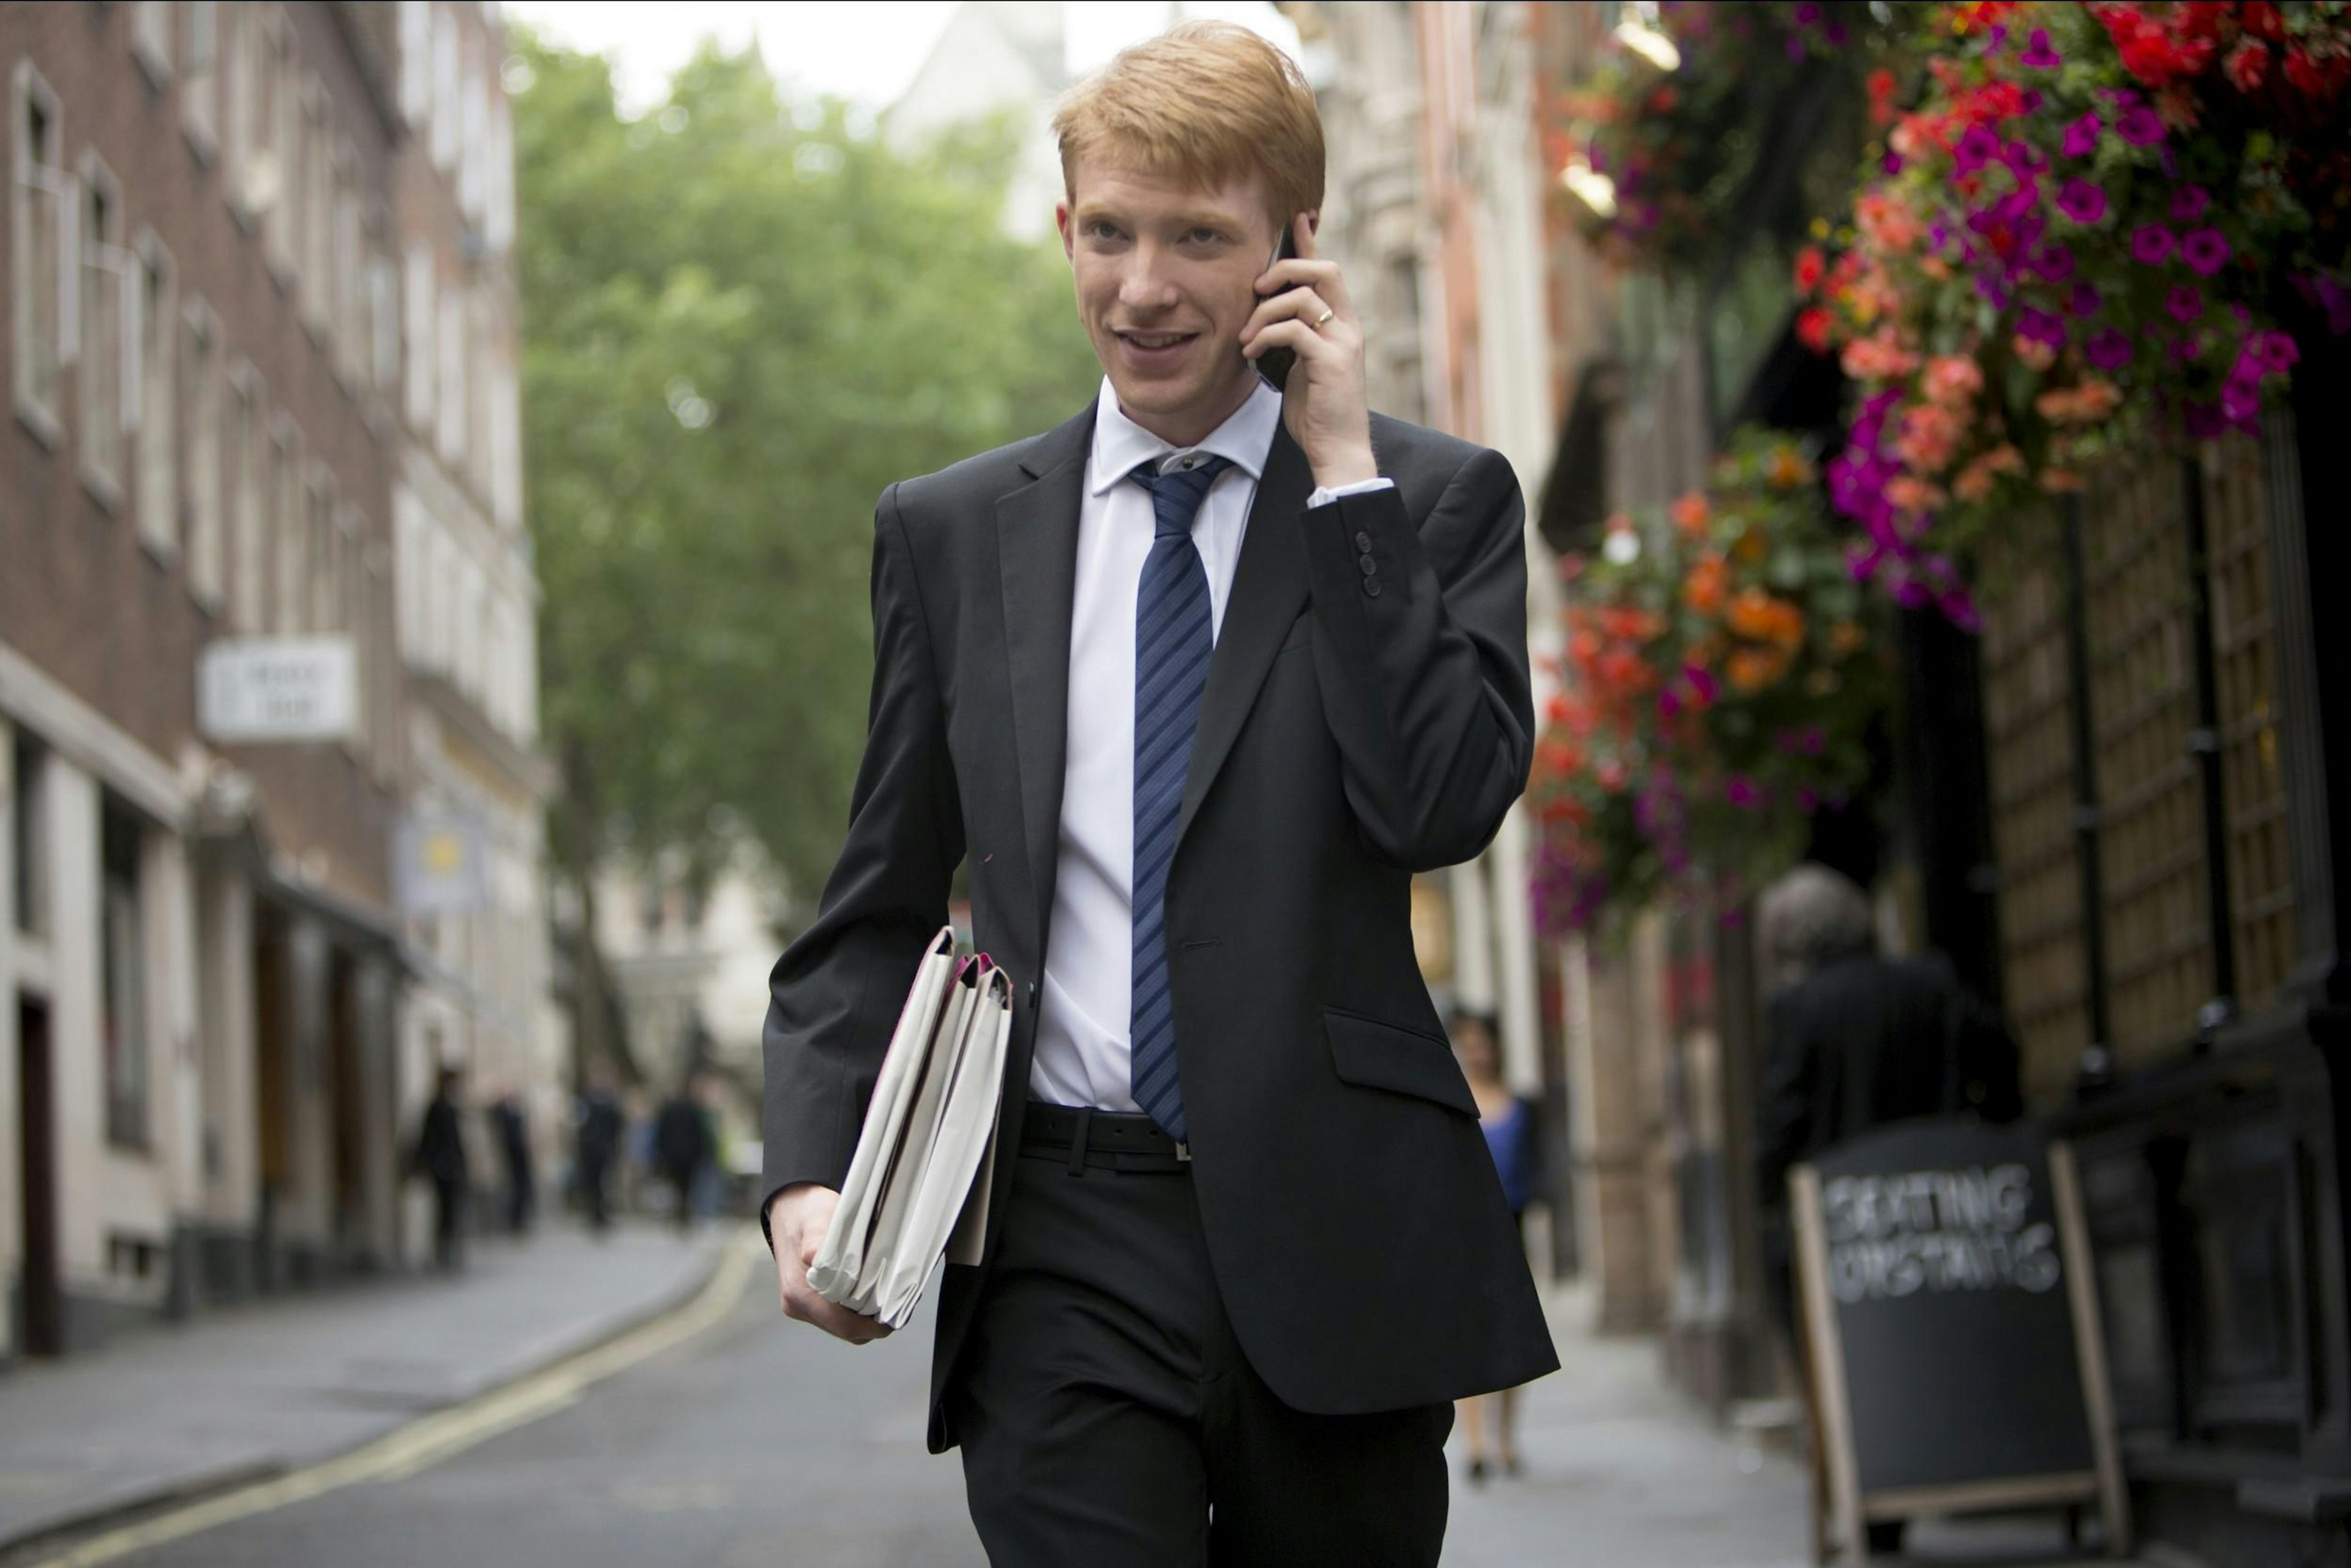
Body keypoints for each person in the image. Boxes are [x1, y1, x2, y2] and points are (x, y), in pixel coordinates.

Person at [759, 22, 1554, 1564]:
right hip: (1058, 1233)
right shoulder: (951, 533)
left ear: (1292, 250)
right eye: (1109, 233)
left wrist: (1341, 478)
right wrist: (812, 1169)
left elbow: (1437, 803)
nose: (1142, 288)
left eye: (1198, 238)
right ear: (1064, 231)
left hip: (1336, 1231)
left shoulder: (1429, 502)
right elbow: (875, 898)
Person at [1752, 863, 2023, 1557]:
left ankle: (1873, 1495)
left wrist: (1770, 1196)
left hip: (1843, 1224)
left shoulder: (1798, 1008)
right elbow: (1998, 1054)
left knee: (1848, 1356)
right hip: (1940, 1213)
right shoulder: (1930, 982)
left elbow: (1783, 1121)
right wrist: (1982, 1135)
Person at [1450, 1010, 1537, 1485]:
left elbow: (1534, 1171)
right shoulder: (1457, 1104)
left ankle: (1507, 1439)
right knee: (1471, 1339)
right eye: (1470, 1044)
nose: (1477, 1052)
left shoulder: (1522, 1106)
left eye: (1483, 1043)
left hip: (1514, 1232)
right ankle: (1477, 1443)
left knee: (1513, 1338)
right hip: (1465, 1236)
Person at [409, 1067, 469, 1272]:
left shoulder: (450, 1108)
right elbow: (429, 1139)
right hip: (442, 1167)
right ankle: (443, 1251)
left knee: (452, 1210)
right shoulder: (436, 1108)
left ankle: (451, 1249)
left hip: (453, 1167)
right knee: (444, 1210)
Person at [654, 1075, 713, 1236]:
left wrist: (661, 1152)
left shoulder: (670, 1108)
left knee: (678, 1186)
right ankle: (683, 1213)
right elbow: (701, 1133)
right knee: (686, 1186)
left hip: (675, 1155)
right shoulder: (693, 1109)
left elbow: (662, 1132)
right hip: (688, 1155)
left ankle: (681, 1213)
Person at [574, 1065, 624, 1234]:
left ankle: (603, 1213)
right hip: (590, 1151)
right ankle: (594, 1213)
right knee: (592, 1183)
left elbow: (616, 1126)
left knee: (605, 1183)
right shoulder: (586, 1101)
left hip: (605, 1150)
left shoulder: (611, 1103)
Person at [489, 1085, 536, 1236]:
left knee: (523, 1189)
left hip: (521, 1157)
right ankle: (514, 1220)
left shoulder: (518, 1113)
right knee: (514, 1189)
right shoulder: (503, 1113)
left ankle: (521, 1219)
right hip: (511, 1157)